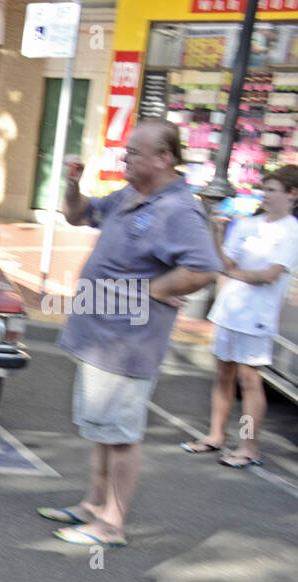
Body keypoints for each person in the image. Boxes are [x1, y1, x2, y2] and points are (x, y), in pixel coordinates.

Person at [37, 119, 221, 548]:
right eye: (126, 152)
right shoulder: (130, 195)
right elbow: (78, 214)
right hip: (100, 337)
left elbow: (204, 269)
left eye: (135, 153)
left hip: (127, 344)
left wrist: (150, 292)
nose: (126, 159)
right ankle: (93, 505)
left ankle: (112, 525)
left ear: (165, 158)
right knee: (103, 431)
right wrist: (72, 183)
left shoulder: (179, 210)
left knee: (121, 437)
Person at [181, 164, 298, 468]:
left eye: (272, 190)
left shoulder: (291, 231)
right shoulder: (246, 225)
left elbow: (270, 275)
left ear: (292, 194)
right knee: (223, 376)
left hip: (256, 317)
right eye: (264, 189)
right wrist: (219, 234)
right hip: (229, 311)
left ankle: (248, 446)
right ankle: (215, 436)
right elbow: (225, 262)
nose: (265, 195)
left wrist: (233, 273)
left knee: (249, 381)